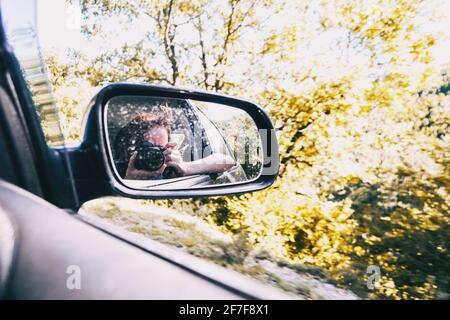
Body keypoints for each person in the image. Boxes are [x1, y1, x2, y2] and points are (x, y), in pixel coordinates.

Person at [113, 112, 235, 180]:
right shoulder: (112, 170)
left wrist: (184, 168)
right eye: (145, 147)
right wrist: (128, 179)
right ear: (128, 148)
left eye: (160, 149)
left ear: (168, 149)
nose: (152, 153)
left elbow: (228, 161)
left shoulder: (168, 170)